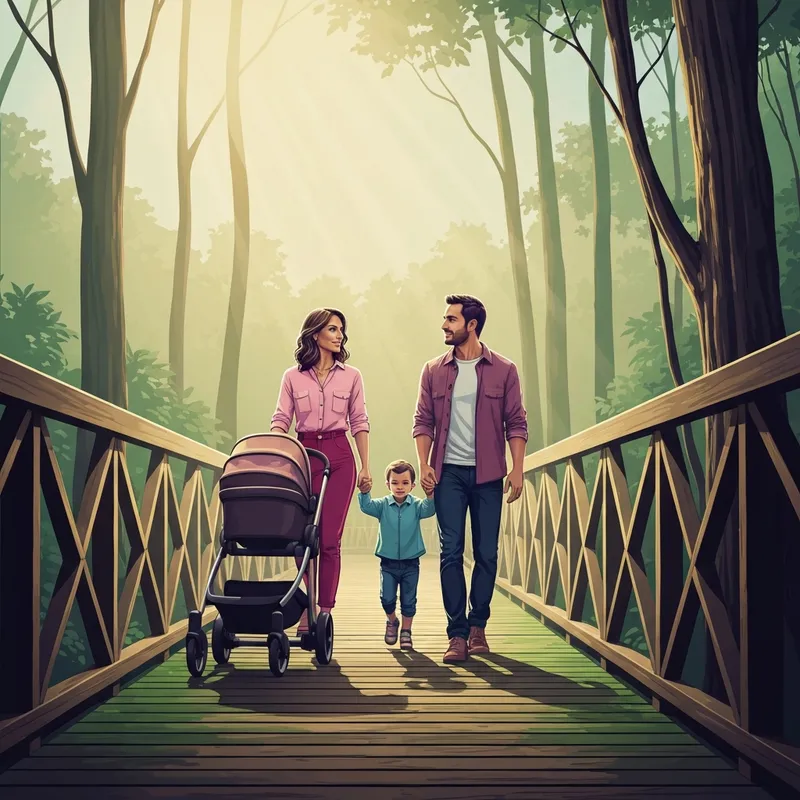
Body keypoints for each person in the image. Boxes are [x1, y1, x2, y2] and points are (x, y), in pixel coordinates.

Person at [412, 294, 527, 664]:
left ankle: (479, 627)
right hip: (448, 474)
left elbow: (517, 422)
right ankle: (457, 634)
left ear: (471, 325)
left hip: (489, 473)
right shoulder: (433, 370)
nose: (444, 325)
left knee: (487, 553)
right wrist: (424, 464)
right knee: (449, 552)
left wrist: (518, 467)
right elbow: (422, 421)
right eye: (445, 319)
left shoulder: (504, 370)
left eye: (451, 320)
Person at [270, 308, 371, 633]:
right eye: (332, 328)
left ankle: (324, 610)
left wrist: (366, 466)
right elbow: (282, 419)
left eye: (341, 329)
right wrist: (272, 453)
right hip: (304, 455)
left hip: (341, 456)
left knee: (329, 540)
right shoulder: (292, 376)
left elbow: (359, 421)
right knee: (303, 538)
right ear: (315, 334)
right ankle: (307, 602)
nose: (339, 334)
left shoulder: (352, 375)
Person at [357, 460, 436, 651]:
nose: (399, 487)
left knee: (409, 599)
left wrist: (430, 495)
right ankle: (392, 621)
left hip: (411, 563)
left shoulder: (417, 505)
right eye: (395, 483)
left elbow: (430, 509)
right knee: (387, 598)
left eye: (404, 483)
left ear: (412, 485)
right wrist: (364, 491)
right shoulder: (383, 505)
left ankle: (406, 631)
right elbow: (366, 506)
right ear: (387, 484)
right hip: (388, 562)